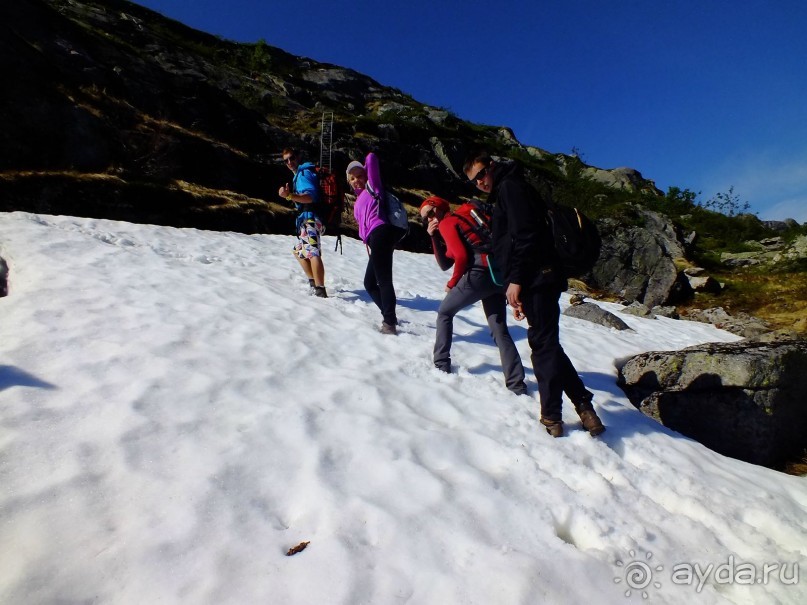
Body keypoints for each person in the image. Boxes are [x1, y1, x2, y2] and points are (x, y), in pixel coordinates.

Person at [463, 151, 605, 437]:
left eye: (481, 174)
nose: (480, 183)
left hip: (539, 276)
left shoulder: (510, 188)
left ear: (492, 165)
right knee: (547, 343)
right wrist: (517, 288)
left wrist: (515, 280)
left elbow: (527, 236)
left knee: (542, 346)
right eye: (474, 181)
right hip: (535, 279)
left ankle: (552, 415)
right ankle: (584, 407)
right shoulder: (508, 189)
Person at [419, 196, 527, 395]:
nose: (429, 219)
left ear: (440, 209)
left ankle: (441, 364)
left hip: (477, 276)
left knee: (444, 313)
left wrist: (452, 284)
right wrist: (433, 237)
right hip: (497, 277)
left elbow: (461, 257)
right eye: (425, 218)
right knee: (499, 330)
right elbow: (446, 262)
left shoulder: (449, 222)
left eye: (430, 213)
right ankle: (516, 384)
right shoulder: (463, 221)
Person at [347, 152, 406, 334]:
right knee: (369, 283)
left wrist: (365, 167)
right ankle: (390, 316)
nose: (357, 180)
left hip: (381, 232)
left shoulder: (374, 187)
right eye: (352, 178)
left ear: (366, 176)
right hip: (375, 239)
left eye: (360, 176)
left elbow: (372, 158)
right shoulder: (358, 201)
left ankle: (389, 323)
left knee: (383, 280)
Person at [278, 148, 327, 298]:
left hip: (310, 217)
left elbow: (310, 197)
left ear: (298, 157)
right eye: (286, 160)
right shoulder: (300, 174)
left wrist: (289, 196)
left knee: (312, 251)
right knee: (299, 250)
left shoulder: (304, 173)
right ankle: (314, 283)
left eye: (291, 158)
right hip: (307, 218)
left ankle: (320, 289)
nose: (289, 162)